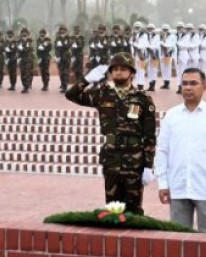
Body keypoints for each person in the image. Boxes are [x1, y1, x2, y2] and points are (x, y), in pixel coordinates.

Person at [66, 53, 156, 215]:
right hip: (111, 157)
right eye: (114, 69)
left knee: (133, 210)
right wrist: (86, 80)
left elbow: (149, 135)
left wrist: (148, 166)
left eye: (123, 69)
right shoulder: (102, 94)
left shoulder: (143, 98)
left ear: (132, 73)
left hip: (134, 159)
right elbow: (71, 95)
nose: (118, 72)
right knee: (113, 208)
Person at [155, 68, 206, 233]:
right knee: (179, 243)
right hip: (178, 188)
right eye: (184, 83)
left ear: (205, 87)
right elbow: (162, 151)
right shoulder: (171, 116)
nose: (188, 87)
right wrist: (163, 183)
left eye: (193, 83)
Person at [17, 28, 34, 93]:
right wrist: (18, 57)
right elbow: (18, 50)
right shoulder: (19, 41)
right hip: (22, 59)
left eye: (25, 35)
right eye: (23, 35)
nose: (24, 37)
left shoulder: (29, 41)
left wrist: (22, 48)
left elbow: (28, 49)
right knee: (23, 73)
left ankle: (27, 86)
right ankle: (25, 85)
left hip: (28, 59)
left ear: (27, 35)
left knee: (28, 73)